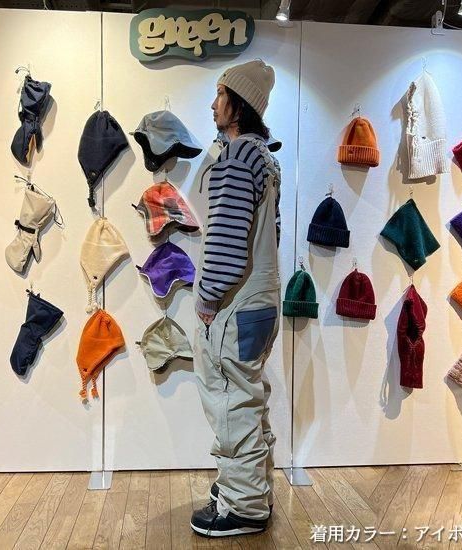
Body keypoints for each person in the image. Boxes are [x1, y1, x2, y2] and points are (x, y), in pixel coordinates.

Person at [190, 59, 282, 538]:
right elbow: (269, 233)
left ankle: (244, 507)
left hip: (235, 304)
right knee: (249, 396)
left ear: (239, 104)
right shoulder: (265, 158)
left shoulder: (236, 157)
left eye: (220, 94)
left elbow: (226, 243)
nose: (213, 104)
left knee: (230, 401)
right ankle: (250, 487)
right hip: (263, 302)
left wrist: (206, 300)